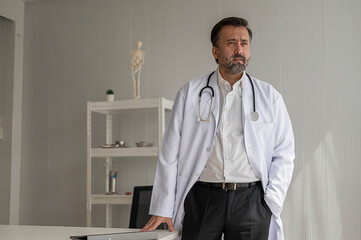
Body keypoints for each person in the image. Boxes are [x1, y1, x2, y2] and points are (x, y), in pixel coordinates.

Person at [142, 17, 295, 240]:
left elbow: (284, 153)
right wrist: (162, 208)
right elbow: (169, 153)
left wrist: (271, 202)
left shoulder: (269, 96)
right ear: (215, 51)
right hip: (203, 198)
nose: (239, 49)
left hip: (252, 201)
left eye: (244, 43)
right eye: (231, 42)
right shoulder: (190, 93)